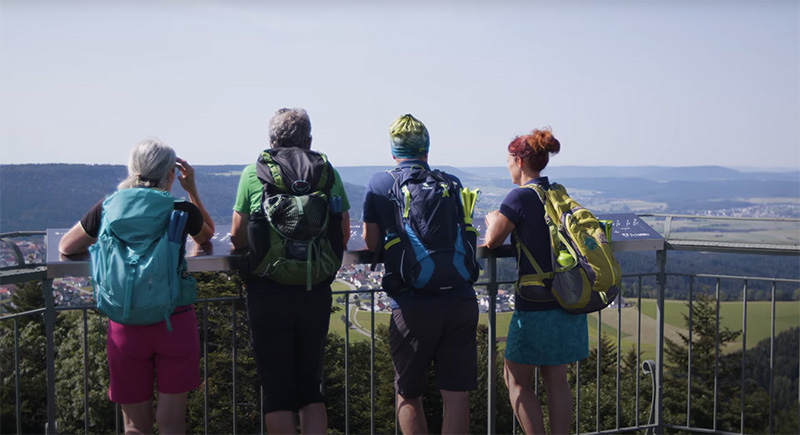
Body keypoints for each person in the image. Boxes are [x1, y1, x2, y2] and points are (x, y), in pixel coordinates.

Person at [59, 139, 215, 434]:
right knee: (171, 424)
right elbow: (206, 236)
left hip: (125, 324)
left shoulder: (108, 207)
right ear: (171, 174)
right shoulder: (179, 208)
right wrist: (191, 189)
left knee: (134, 426)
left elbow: (66, 246)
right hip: (174, 320)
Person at [230, 107, 350, 434]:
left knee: (277, 388)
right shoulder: (327, 172)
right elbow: (342, 232)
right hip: (314, 287)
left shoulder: (253, 174)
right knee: (311, 384)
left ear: (271, 140)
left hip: (267, 289)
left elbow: (239, 235)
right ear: (309, 140)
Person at [362, 114, 478, 434]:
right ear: (426, 149)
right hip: (460, 298)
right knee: (456, 396)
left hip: (412, 303)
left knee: (409, 394)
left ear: (393, 150)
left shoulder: (380, 182)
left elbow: (371, 242)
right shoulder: (451, 182)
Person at [483, 127, 588, 434]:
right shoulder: (557, 193)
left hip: (535, 303)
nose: (507, 166)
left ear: (519, 161)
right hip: (567, 296)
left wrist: (491, 218)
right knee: (557, 380)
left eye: (508, 160)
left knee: (515, 380)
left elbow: (492, 239)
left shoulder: (519, 197)